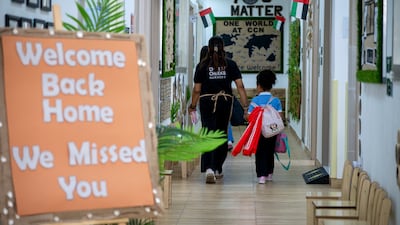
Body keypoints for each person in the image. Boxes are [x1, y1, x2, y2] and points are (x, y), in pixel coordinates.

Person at [188, 36, 249, 184]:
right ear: (223, 47)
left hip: (207, 102)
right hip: (224, 102)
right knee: (222, 134)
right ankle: (217, 168)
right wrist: (246, 107)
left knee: (208, 132)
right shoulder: (231, 64)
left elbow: (197, 90)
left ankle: (208, 168)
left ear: (209, 48)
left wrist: (192, 106)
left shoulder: (201, 66)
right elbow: (240, 86)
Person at [247, 69, 283, 184]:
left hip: (259, 132)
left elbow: (249, 117)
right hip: (272, 131)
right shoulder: (276, 100)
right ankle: (269, 173)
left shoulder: (255, 100)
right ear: (271, 85)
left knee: (260, 152)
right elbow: (280, 116)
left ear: (259, 86)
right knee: (270, 151)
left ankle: (261, 175)